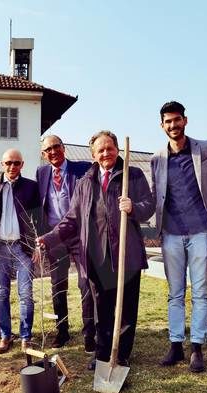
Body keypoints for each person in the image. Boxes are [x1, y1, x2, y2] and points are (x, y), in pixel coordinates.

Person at [38, 131, 155, 369]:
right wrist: (49, 239)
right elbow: (71, 219)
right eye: (100, 150)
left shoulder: (131, 175)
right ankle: (101, 353)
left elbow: (149, 205)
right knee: (102, 308)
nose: (105, 154)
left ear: (117, 150)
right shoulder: (85, 182)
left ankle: (121, 353)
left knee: (126, 307)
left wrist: (134, 207)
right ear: (93, 155)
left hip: (125, 253)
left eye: (109, 148)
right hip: (96, 254)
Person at [150, 101, 207, 372]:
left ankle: (197, 347)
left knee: (201, 292)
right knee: (174, 293)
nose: (173, 125)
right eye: (168, 121)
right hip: (171, 233)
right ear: (162, 125)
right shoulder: (157, 158)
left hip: (202, 230)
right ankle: (176, 344)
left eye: (177, 120)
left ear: (185, 120)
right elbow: (156, 194)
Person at [36, 135, 96, 351]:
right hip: (55, 236)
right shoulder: (41, 173)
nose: (53, 152)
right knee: (57, 286)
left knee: (86, 283)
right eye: (48, 150)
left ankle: (90, 334)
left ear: (64, 148)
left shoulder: (83, 168)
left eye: (56, 147)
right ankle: (62, 332)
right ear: (44, 154)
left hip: (80, 234)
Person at [0, 149, 40, 353]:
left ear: (22, 164)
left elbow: (38, 218)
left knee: (25, 294)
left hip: (22, 248)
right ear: (2, 163)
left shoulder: (31, 187)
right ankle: (5, 336)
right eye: (8, 163)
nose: (12, 167)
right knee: (1, 293)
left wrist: (38, 245)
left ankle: (26, 336)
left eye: (16, 163)